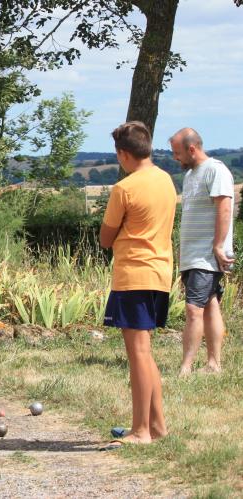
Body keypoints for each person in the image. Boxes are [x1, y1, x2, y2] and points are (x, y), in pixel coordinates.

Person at [99, 121, 175, 449]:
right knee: (146, 354)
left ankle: (141, 430)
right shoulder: (167, 180)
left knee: (138, 354)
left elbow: (105, 238)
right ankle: (157, 426)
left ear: (124, 154)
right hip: (160, 275)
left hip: (133, 276)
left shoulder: (124, 189)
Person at [170, 128, 234, 375]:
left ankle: (186, 367)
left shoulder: (216, 170)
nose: (176, 158)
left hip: (206, 255)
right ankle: (213, 364)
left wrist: (218, 245)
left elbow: (224, 209)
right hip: (193, 254)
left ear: (192, 149)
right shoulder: (190, 176)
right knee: (210, 304)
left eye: (177, 153)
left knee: (193, 308)